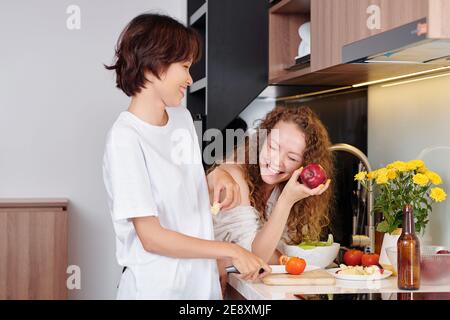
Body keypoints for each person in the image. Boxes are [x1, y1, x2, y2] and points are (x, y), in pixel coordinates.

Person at [102, 13, 270, 300]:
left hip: (201, 287)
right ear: (155, 65)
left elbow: (186, 181)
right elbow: (151, 237)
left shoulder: (182, 119)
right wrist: (230, 250)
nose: (190, 78)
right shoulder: (125, 138)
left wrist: (215, 174)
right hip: (158, 291)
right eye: (185, 66)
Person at [208, 106, 333, 288]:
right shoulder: (233, 177)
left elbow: (275, 255)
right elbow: (256, 256)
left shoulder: (284, 188)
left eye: (291, 158)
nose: (276, 160)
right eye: (272, 147)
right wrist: (287, 201)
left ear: (304, 165)